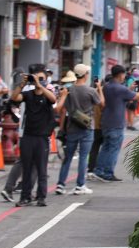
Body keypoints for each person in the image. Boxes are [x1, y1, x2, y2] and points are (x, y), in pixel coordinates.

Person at [90, 65, 139, 182]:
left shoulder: (107, 87)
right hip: (116, 124)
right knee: (113, 149)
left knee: (106, 148)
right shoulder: (120, 89)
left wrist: (130, 88)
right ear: (121, 75)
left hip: (105, 122)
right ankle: (108, 173)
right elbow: (137, 97)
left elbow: (122, 96)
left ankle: (99, 170)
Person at [11, 65, 57, 207]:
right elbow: (14, 97)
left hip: (42, 138)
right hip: (28, 136)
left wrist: (39, 85)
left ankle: (41, 197)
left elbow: (53, 100)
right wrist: (23, 83)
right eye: (36, 78)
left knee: (41, 169)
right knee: (27, 168)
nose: (39, 80)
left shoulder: (47, 93)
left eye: (42, 78)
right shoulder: (28, 94)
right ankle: (25, 197)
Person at [55, 64, 103, 195]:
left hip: (72, 127)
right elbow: (101, 103)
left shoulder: (68, 89)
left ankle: (60, 184)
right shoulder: (90, 91)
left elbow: (63, 109)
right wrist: (99, 88)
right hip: (87, 128)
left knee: (68, 157)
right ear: (85, 74)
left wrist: (61, 128)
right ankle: (80, 185)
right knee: (83, 157)